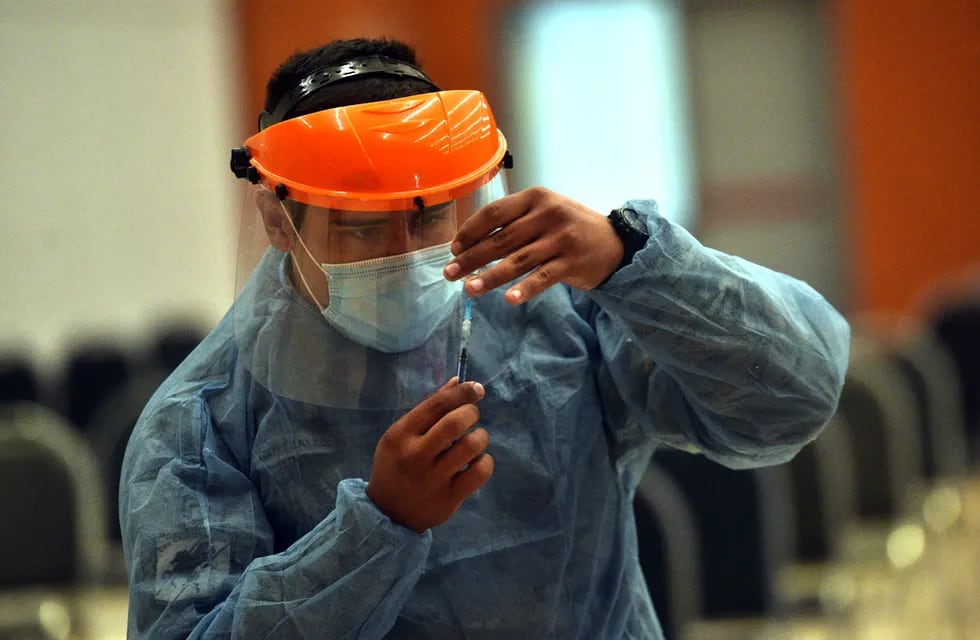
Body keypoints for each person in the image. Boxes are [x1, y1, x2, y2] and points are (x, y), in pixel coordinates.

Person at [120, 37, 851, 639]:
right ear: (279, 222)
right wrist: (376, 529)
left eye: (432, 217)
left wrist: (634, 259)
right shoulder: (204, 421)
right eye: (362, 227)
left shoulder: (552, 313)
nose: (405, 254)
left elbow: (793, 395)